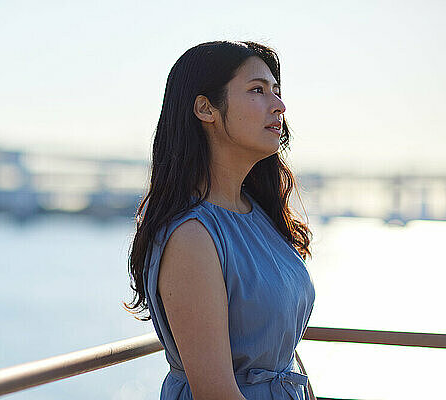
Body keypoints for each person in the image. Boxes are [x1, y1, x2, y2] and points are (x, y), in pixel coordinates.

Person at [125, 41, 315, 400]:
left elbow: (278, 351)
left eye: (276, 91)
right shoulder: (192, 237)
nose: (279, 105)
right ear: (205, 108)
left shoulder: (260, 214)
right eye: (258, 90)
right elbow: (216, 393)